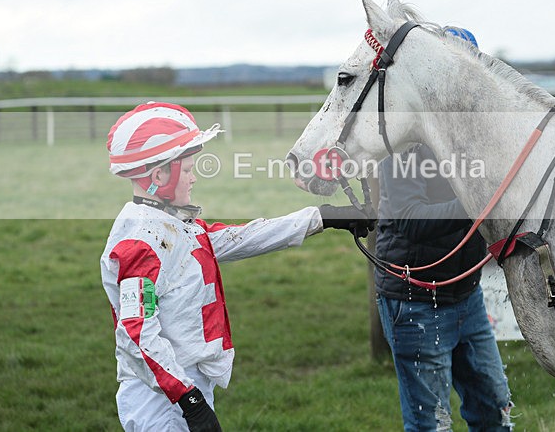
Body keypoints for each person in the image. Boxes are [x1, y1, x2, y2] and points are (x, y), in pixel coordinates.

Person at [100, 102, 371, 431]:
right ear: (159, 175)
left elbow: (237, 238)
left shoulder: (173, 223)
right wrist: (190, 401)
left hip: (182, 388)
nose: (194, 177)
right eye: (187, 170)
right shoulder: (139, 243)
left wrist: (323, 217)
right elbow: (137, 336)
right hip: (162, 400)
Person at [376, 143, 514, 431]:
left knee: (494, 413)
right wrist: (481, 200)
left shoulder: (468, 135)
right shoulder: (404, 146)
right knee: (432, 425)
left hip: (467, 294)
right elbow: (413, 220)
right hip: (416, 302)